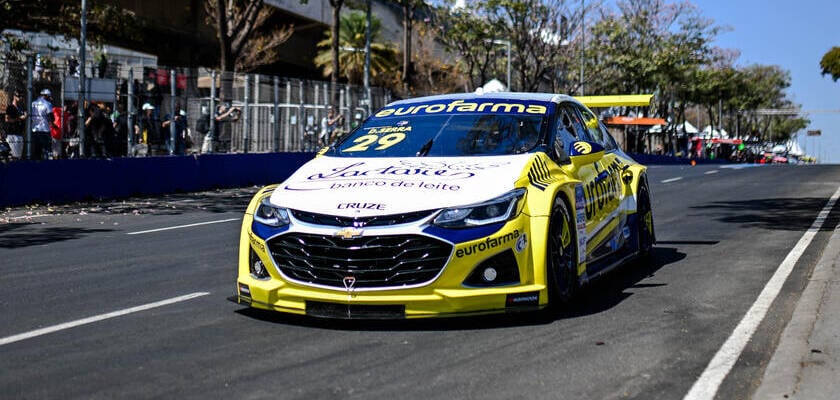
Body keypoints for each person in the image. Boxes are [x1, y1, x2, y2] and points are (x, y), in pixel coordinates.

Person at [30, 88, 56, 160]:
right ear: (45, 96)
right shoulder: (47, 104)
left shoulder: (33, 103)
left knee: (36, 151)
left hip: (35, 130)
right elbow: (51, 117)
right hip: (45, 131)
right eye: (49, 96)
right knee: (47, 151)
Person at [4, 90, 27, 160]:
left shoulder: (21, 108)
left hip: (19, 134)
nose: (20, 98)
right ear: (14, 97)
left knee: (19, 156)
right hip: (12, 134)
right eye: (18, 96)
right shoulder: (10, 107)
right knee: (14, 156)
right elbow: (7, 119)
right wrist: (19, 118)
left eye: (21, 96)